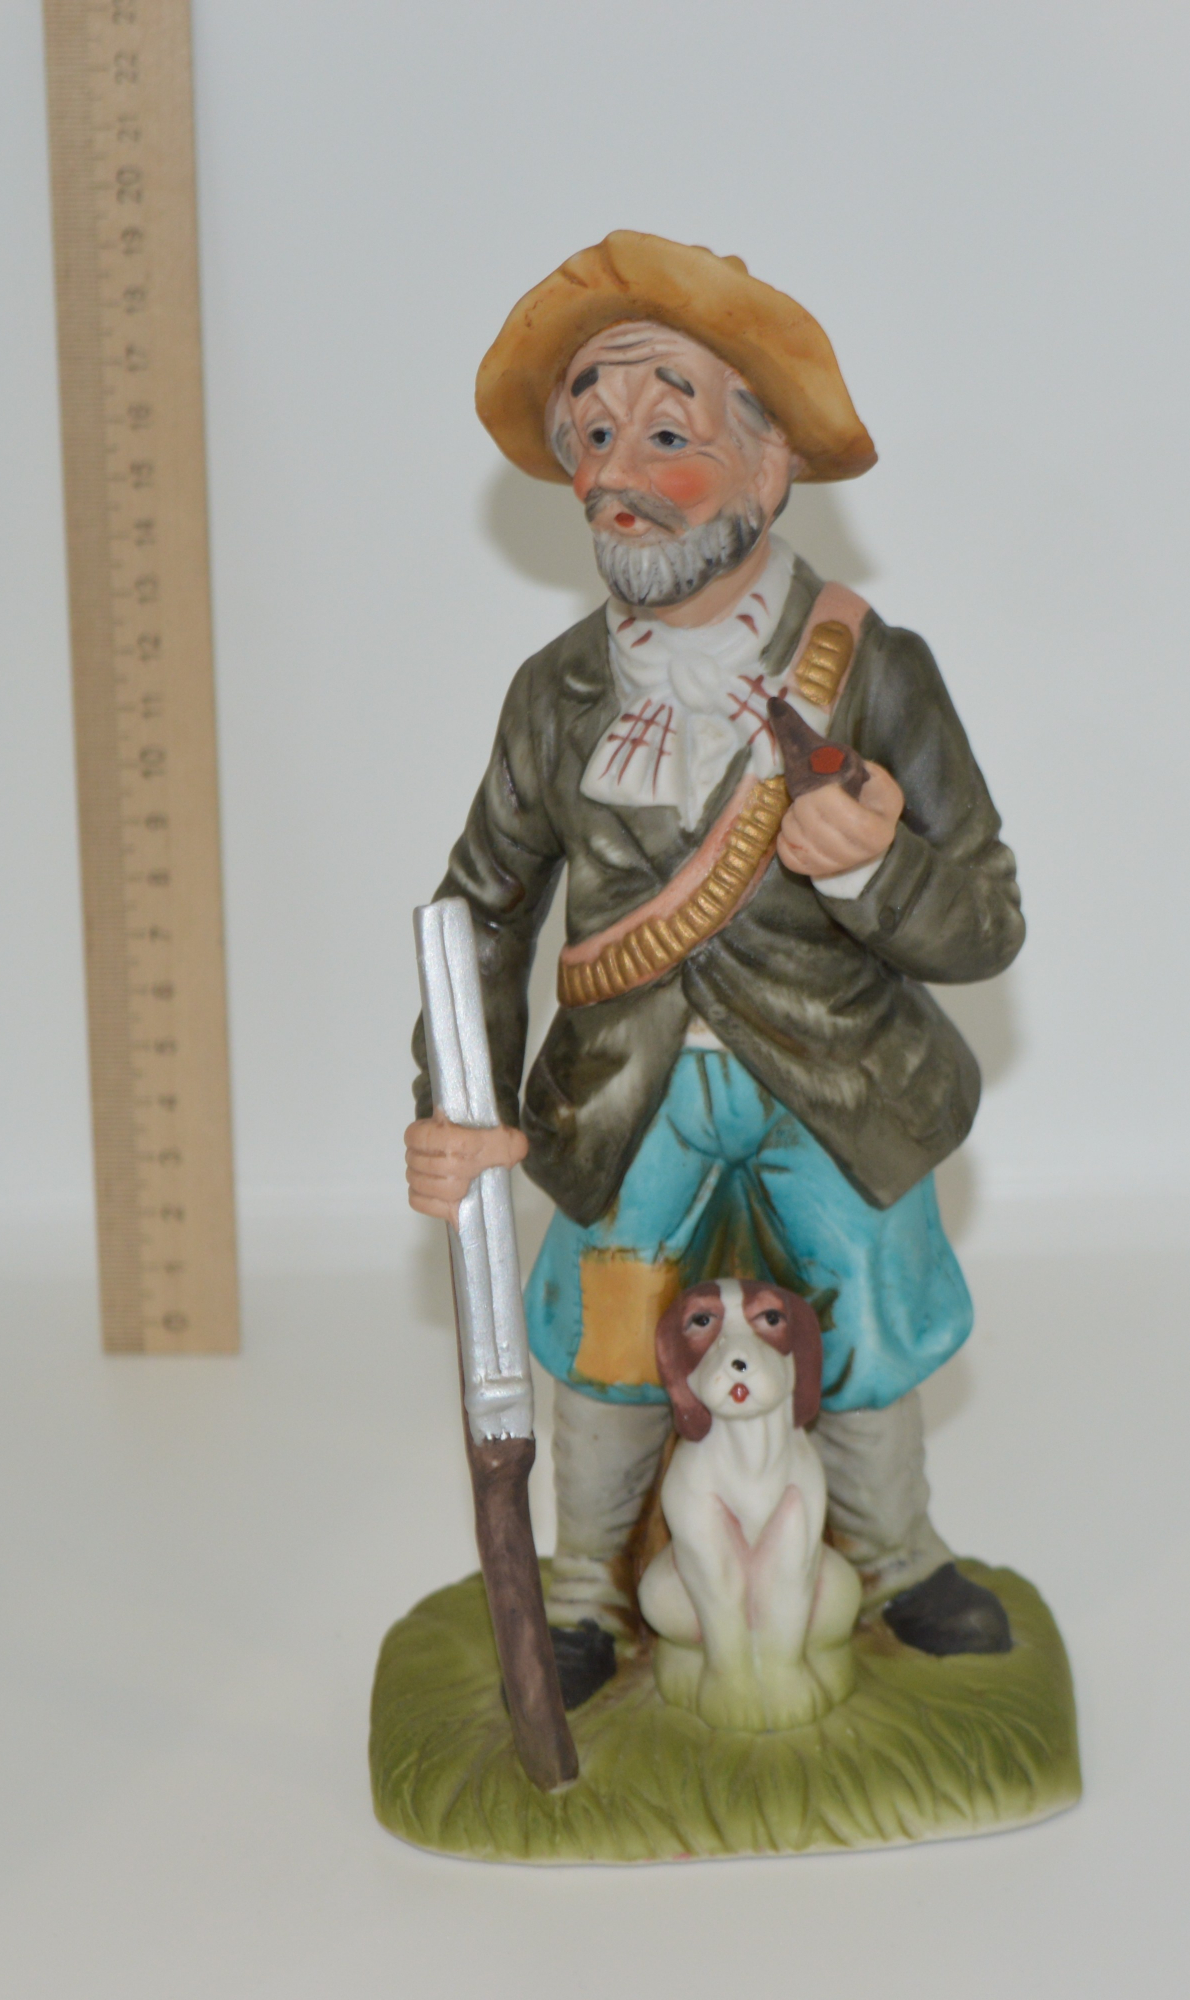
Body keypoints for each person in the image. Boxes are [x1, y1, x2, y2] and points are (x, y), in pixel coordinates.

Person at [405, 232, 1026, 1706]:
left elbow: (985, 919)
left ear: (767, 467)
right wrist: (458, 1103)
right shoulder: (557, 694)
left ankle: (900, 1556)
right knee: (607, 1329)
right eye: (592, 436)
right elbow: (483, 907)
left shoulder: (870, 670)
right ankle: (583, 1587)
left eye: (667, 434)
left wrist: (868, 866)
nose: (615, 474)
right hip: (626, 1091)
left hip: (838, 1071)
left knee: (867, 1313)